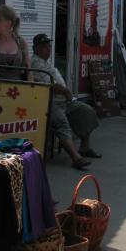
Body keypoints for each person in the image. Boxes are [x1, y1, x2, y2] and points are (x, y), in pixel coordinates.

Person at [31, 34, 98, 170]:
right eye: (44, 47)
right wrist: (67, 92)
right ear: (36, 48)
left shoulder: (46, 62)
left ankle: (84, 147)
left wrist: (68, 95)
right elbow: (51, 85)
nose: (48, 50)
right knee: (61, 122)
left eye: (49, 46)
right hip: (49, 102)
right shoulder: (35, 62)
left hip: (64, 102)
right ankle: (76, 158)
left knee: (86, 111)